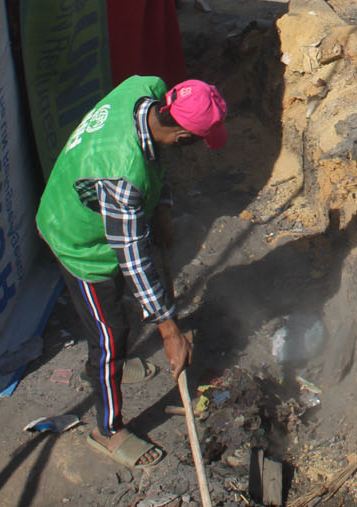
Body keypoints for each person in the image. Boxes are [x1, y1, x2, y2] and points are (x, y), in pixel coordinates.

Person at [35, 76, 228, 468]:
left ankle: (115, 365)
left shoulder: (146, 88)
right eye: (194, 142)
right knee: (109, 334)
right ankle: (106, 429)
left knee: (121, 314)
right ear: (180, 134)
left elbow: (156, 164)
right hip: (78, 240)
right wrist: (170, 330)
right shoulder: (122, 173)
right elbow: (135, 262)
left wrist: (162, 206)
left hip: (105, 214)